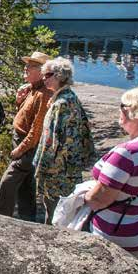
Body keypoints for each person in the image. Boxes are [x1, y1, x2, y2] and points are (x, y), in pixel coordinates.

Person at [85, 86, 138, 263]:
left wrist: (83, 196)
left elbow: (98, 200)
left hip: (117, 233)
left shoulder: (126, 153)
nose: (120, 110)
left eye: (123, 106)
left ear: (137, 113)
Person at [34, 57, 95, 224]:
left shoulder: (60, 103)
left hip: (58, 172)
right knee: (65, 211)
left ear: (60, 76)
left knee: (55, 213)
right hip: (70, 170)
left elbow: (50, 141)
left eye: (48, 75)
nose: (44, 78)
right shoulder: (71, 98)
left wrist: (40, 168)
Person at [0, 51, 51, 222]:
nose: (26, 68)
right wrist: (19, 100)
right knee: (26, 187)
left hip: (27, 148)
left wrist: (20, 150)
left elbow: (36, 131)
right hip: (22, 143)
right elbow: (24, 116)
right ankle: (28, 220)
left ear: (42, 71)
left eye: (32, 66)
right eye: (27, 65)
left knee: (8, 182)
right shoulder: (32, 90)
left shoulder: (44, 94)